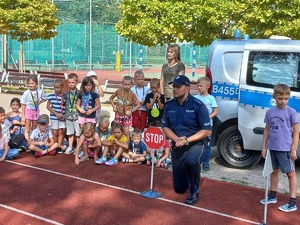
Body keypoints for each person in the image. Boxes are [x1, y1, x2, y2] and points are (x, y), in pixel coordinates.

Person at [162, 75, 211, 205]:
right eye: (174, 86)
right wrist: (177, 139)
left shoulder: (198, 106)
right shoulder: (169, 105)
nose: (175, 89)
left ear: (187, 88)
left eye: (178, 86)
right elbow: (165, 127)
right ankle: (189, 176)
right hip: (178, 144)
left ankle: (194, 190)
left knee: (192, 161)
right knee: (179, 189)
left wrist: (187, 140)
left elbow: (207, 130)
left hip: (197, 143)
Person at [260, 84, 298, 212]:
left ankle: (292, 202)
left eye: (286, 98)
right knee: (273, 171)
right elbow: (267, 130)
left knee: (290, 173)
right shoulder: (270, 112)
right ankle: (272, 196)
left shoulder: (291, 112)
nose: (283, 101)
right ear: (274, 97)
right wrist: (264, 147)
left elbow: (296, 132)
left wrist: (293, 148)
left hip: (285, 149)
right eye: (280, 98)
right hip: (272, 148)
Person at [194, 77, 218, 171]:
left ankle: (206, 162)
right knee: (197, 144)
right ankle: (197, 161)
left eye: (201, 86)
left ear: (207, 86)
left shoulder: (211, 98)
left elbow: (216, 111)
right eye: (198, 86)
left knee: (207, 144)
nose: (199, 88)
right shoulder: (195, 98)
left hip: (208, 126)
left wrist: (208, 117)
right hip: (197, 126)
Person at [21, 74, 47, 141]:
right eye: (29, 83)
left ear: (36, 83)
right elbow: (23, 104)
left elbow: (45, 98)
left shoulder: (40, 91)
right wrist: (23, 115)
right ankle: (27, 141)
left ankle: (33, 140)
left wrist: (40, 102)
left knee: (34, 127)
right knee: (27, 128)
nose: (31, 85)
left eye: (32, 83)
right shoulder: (26, 93)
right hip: (28, 110)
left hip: (36, 111)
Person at [46, 79, 66, 153]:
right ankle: (55, 145)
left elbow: (66, 107)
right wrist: (56, 114)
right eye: (54, 88)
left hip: (62, 117)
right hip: (54, 117)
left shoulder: (65, 96)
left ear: (62, 87)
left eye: (58, 88)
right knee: (55, 132)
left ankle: (60, 145)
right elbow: (48, 107)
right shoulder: (51, 96)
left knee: (61, 132)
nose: (56, 89)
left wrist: (65, 115)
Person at [64, 73, 81, 155]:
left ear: (76, 82)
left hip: (77, 116)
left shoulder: (80, 93)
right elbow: (64, 103)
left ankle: (78, 148)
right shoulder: (66, 93)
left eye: (73, 82)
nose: (71, 84)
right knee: (70, 132)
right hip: (68, 115)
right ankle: (70, 146)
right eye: (69, 82)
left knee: (78, 133)